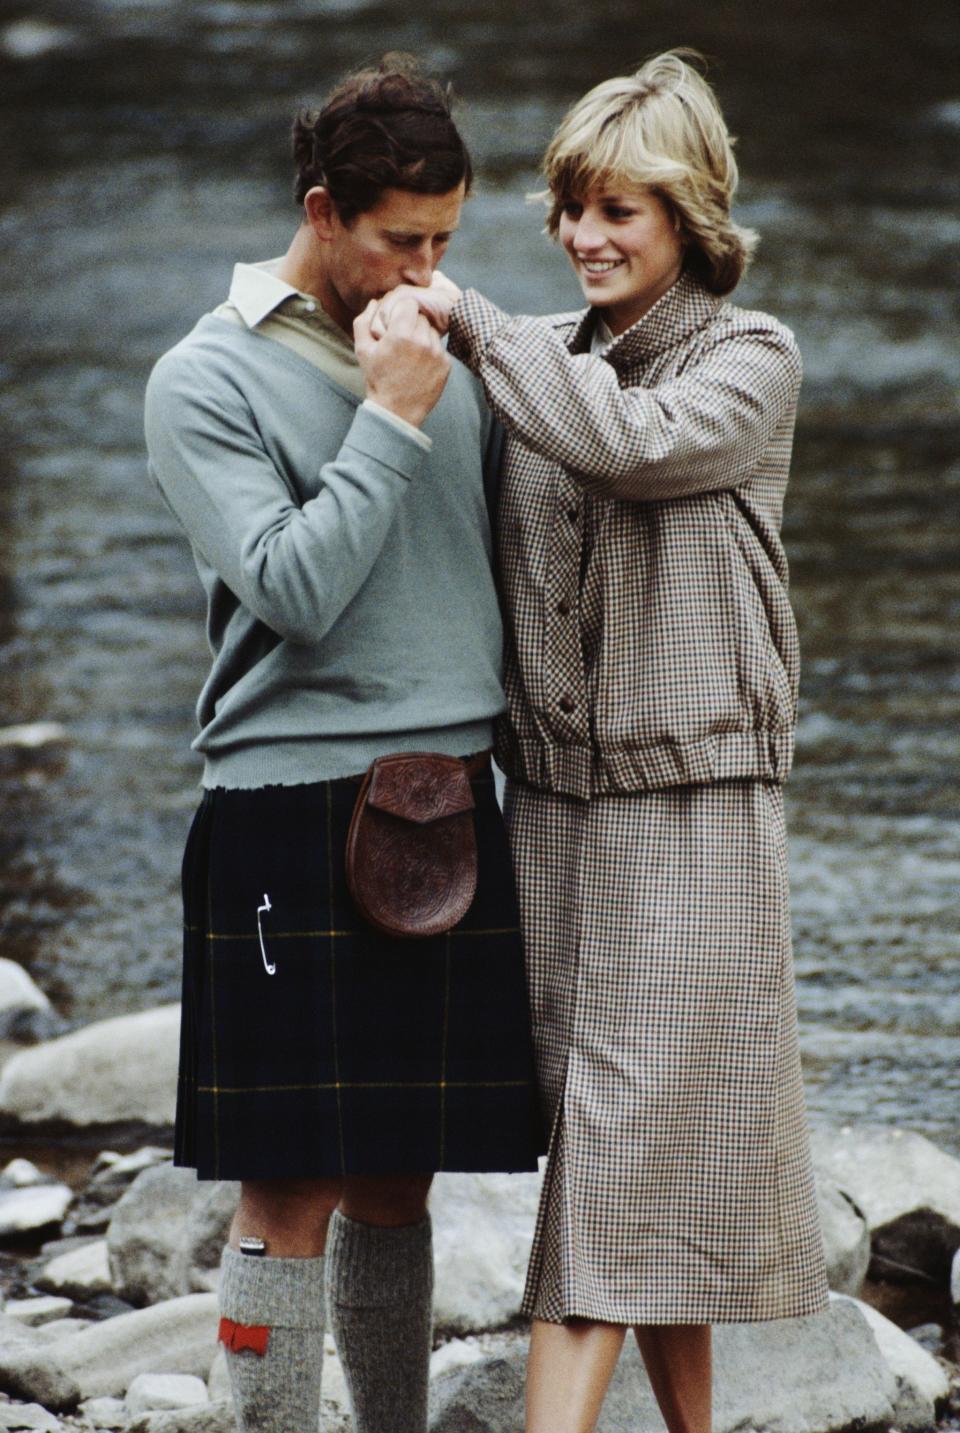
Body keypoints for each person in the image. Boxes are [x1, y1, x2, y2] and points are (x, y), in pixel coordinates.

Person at [374, 49, 829, 1433]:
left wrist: (469, 320)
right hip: (558, 821)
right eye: (572, 205)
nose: (583, 235)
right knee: (636, 1153)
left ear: (691, 215)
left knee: (612, 1174)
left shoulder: (749, 361)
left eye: (618, 210)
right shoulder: (546, 366)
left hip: (693, 816)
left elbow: (626, 445)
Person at [143, 55, 543, 1433]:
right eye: (402, 241)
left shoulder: (443, 342)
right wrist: (390, 417)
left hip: (448, 798)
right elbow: (295, 587)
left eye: (448, 239)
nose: (431, 270)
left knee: (399, 1175)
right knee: (288, 1180)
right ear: (323, 209)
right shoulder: (201, 379)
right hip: (286, 804)